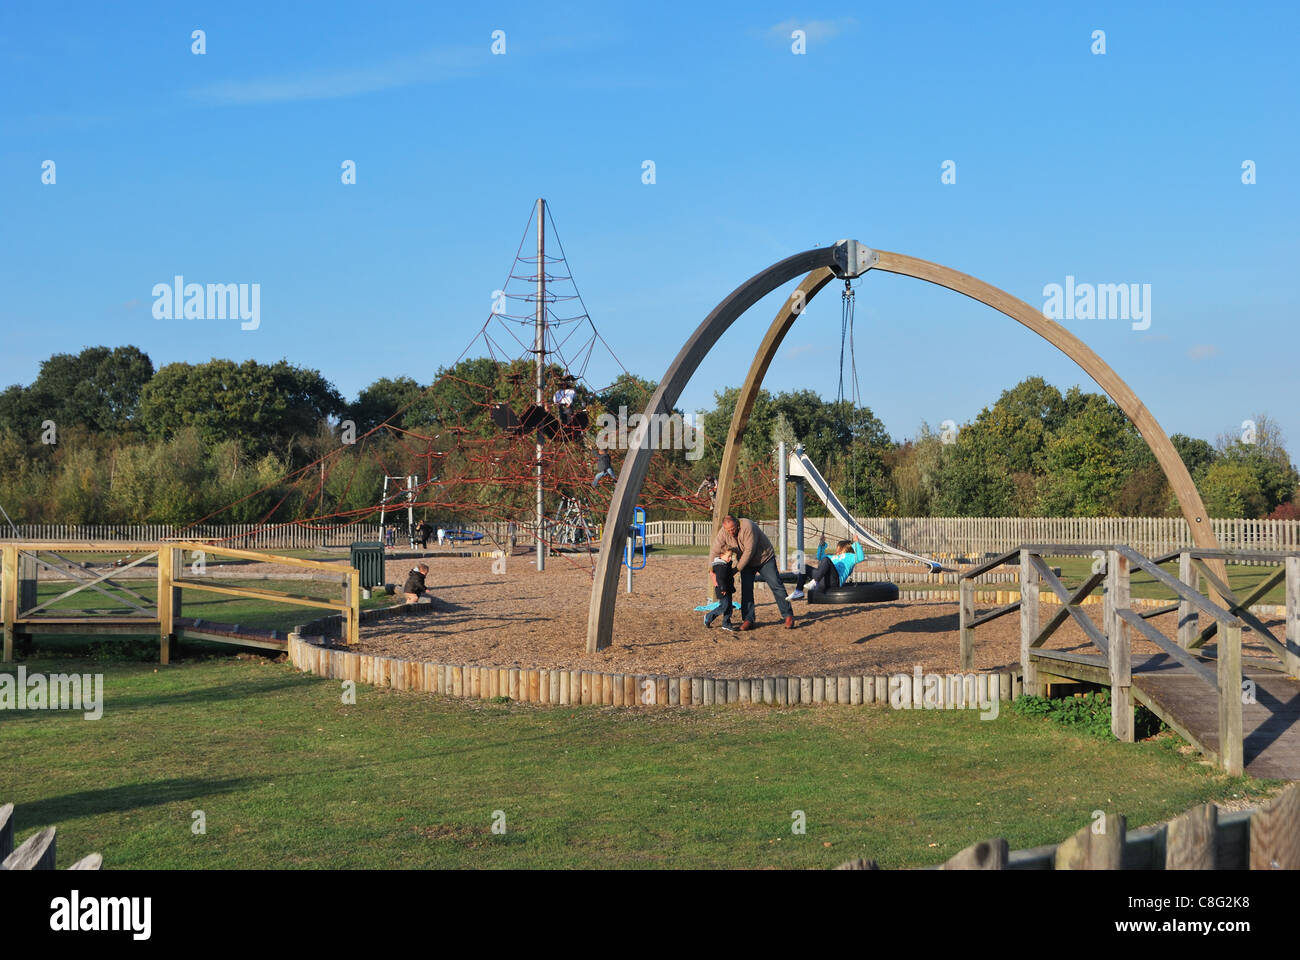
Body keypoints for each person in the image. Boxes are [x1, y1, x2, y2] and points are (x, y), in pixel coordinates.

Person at [710, 514, 794, 630]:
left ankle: (788, 615)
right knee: (747, 590)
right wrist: (712, 571)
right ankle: (748, 619)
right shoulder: (723, 532)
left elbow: (749, 551)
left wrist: (735, 570)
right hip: (746, 564)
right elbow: (715, 550)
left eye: (733, 529)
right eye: (728, 530)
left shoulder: (748, 526)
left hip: (764, 558)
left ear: (737, 523)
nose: (731, 532)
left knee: (776, 585)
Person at [789, 538, 866, 601]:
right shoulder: (833, 557)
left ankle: (815, 581)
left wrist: (856, 543)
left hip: (835, 581)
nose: (837, 549)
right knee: (804, 567)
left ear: (843, 548)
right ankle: (798, 591)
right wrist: (821, 544)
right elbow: (819, 556)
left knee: (826, 560)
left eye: (838, 547)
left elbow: (860, 557)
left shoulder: (851, 556)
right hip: (823, 579)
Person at [703, 546, 738, 631]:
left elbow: (728, 574)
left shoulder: (725, 564)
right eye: (728, 556)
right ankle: (708, 617)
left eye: (731, 556)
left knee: (729, 607)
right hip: (722, 589)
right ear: (721, 555)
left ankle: (726, 623)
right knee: (724, 606)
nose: (730, 558)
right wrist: (722, 588)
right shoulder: (720, 566)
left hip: (727, 589)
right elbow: (720, 578)